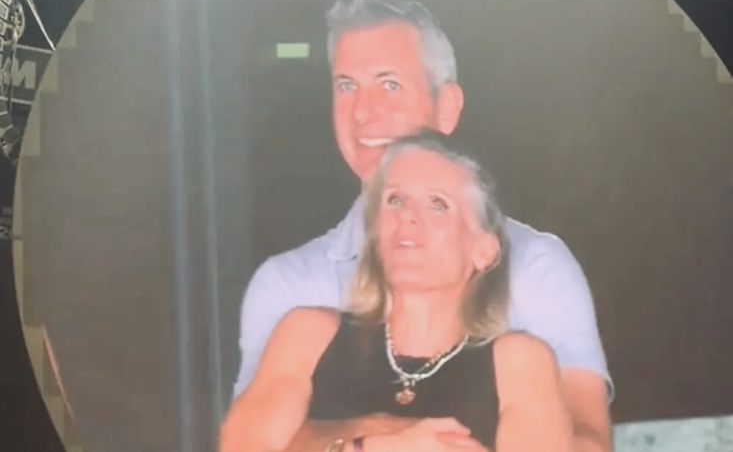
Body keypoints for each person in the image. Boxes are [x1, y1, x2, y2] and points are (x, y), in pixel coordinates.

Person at [228, 0, 611, 452]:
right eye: (347, 86)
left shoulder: (535, 275)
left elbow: (588, 443)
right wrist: (376, 441)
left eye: (389, 84)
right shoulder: (292, 298)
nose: (363, 112)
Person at [220, 132, 574, 452]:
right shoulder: (308, 334)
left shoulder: (518, 361)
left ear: (483, 251)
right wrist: (371, 442)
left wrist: (312, 439)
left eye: (437, 204)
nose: (407, 216)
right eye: (395, 200)